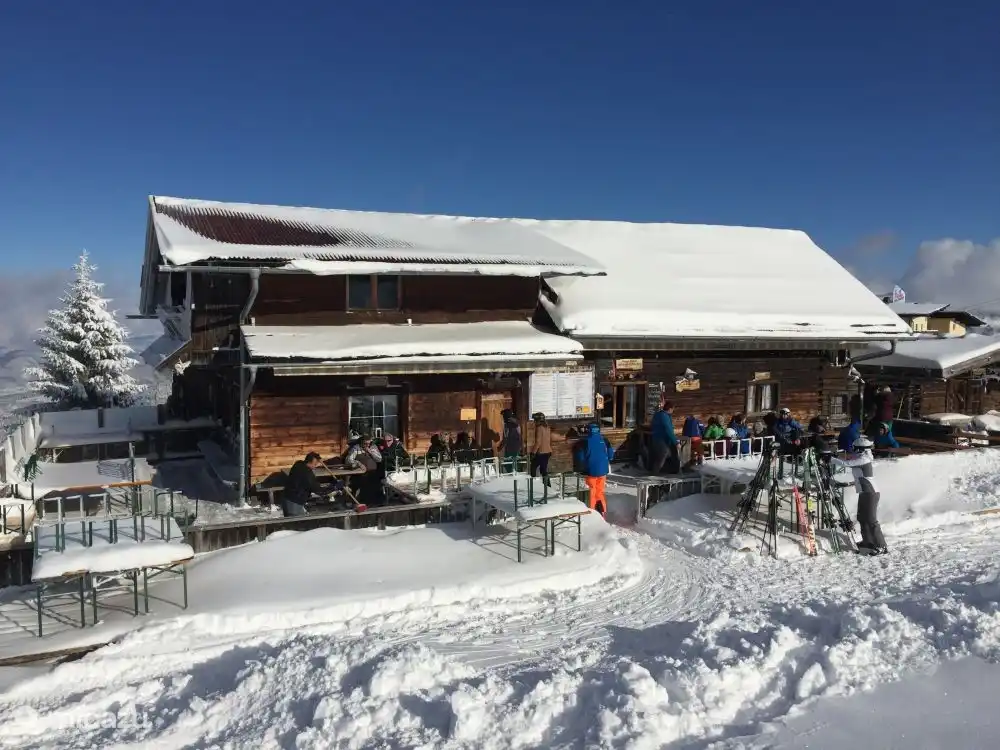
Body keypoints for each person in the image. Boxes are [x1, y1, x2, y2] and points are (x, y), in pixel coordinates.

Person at [833, 435, 888, 555]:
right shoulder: (861, 457)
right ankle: (868, 542)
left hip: (870, 492)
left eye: (855, 448)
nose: (853, 450)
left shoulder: (864, 459)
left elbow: (846, 464)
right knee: (862, 518)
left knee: (871, 520)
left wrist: (831, 459)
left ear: (861, 449)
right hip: (864, 492)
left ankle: (881, 545)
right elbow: (852, 465)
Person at [573, 422, 614, 516]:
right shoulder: (604, 440)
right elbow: (611, 453)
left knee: (591, 492)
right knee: (600, 492)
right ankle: (603, 512)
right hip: (603, 470)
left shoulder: (584, 442)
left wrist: (580, 469)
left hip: (591, 471)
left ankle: (593, 513)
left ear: (588, 430)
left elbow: (580, 458)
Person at [283, 452, 327, 517]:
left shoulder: (298, 464)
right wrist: (333, 487)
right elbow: (317, 489)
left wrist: (316, 457)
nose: (315, 466)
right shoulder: (307, 474)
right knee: (296, 523)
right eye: (315, 464)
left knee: (291, 521)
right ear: (310, 462)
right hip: (294, 503)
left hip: (286, 498)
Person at [346, 435, 384, 505]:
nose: (367, 445)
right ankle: (357, 502)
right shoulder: (356, 448)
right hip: (359, 473)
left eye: (369, 443)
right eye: (365, 444)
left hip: (372, 473)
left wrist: (371, 452)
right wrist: (358, 463)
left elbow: (379, 459)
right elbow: (348, 460)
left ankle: (375, 502)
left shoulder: (373, 447)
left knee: (376, 485)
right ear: (361, 442)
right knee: (359, 484)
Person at [649, 398, 679, 474]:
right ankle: (655, 474)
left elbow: (652, 425)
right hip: (662, 440)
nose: (673, 411)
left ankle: (667, 471)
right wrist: (676, 442)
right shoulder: (664, 416)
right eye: (672, 409)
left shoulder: (658, 414)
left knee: (668, 455)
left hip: (657, 438)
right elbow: (668, 430)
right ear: (669, 409)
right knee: (662, 456)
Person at [530, 412, 553, 487]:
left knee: (533, 466)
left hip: (541, 452)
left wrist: (533, 452)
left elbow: (538, 442)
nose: (534, 422)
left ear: (538, 420)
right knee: (543, 469)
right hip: (548, 451)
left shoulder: (539, 428)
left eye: (535, 420)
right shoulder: (547, 427)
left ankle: (532, 483)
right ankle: (547, 486)